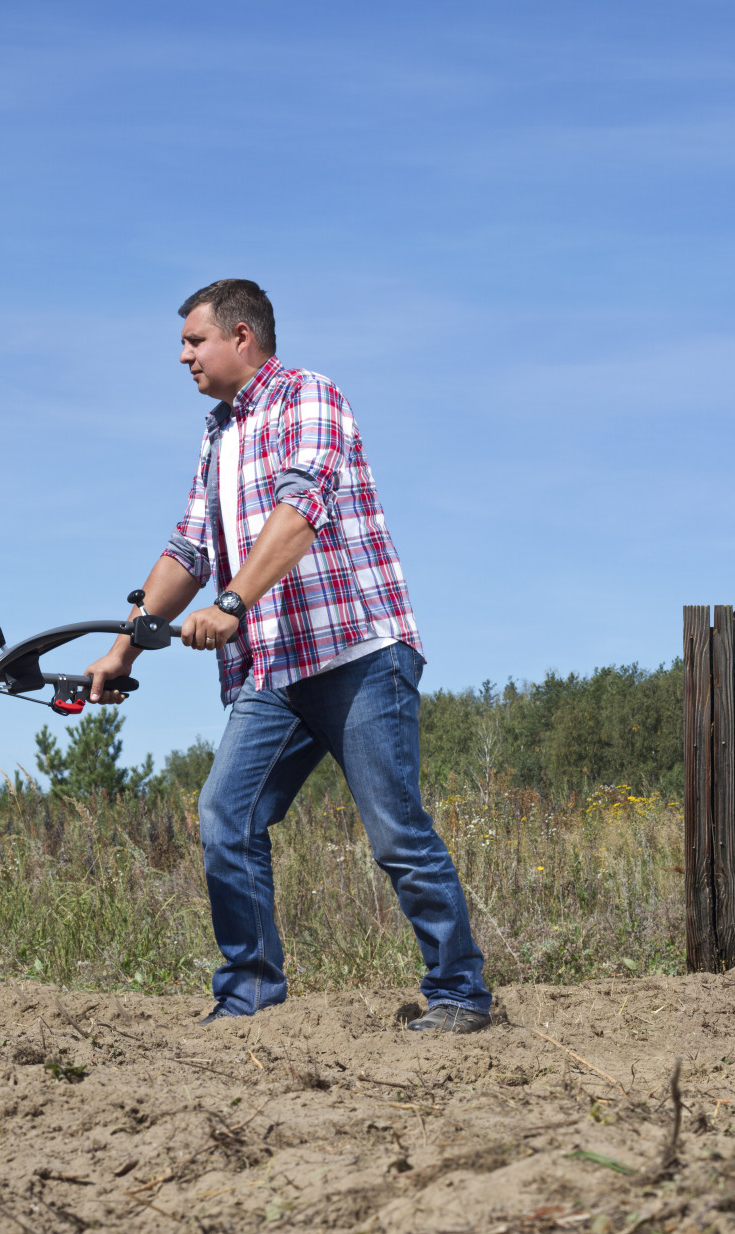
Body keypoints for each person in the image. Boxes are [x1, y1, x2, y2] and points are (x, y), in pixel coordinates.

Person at [83, 278, 491, 1033]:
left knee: (396, 832)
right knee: (224, 816)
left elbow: (302, 509)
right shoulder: (218, 432)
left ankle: (460, 991)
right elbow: (188, 549)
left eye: (193, 341)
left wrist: (233, 605)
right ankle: (250, 998)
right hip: (272, 670)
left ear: (242, 337)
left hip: (356, 653)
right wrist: (122, 651)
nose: (183, 357)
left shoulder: (308, 396)